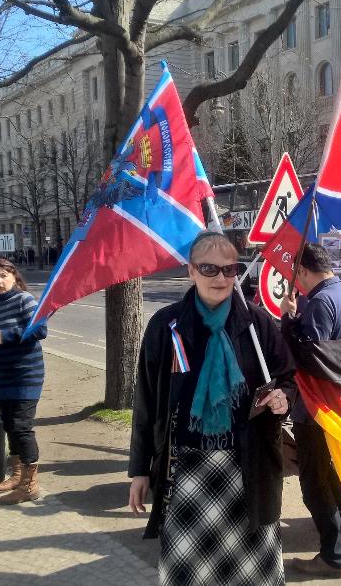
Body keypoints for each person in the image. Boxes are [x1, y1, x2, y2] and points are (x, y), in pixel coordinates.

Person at [128, 231, 296, 586]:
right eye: (209, 269)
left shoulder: (256, 323)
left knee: (253, 576)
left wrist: (284, 398)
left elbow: (286, 378)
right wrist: (140, 470)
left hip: (249, 466)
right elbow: (146, 401)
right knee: (190, 575)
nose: (221, 278)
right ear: (191, 271)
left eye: (229, 269)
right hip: (185, 470)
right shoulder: (165, 325)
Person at [280, 243, 341, 579]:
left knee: (313, 481)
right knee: (328, 469)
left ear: (303, 270)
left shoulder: (318, 302)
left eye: (296, 276)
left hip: (316, 406)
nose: (296, 284)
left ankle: (333, 557)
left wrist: (288, 321)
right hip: (339, 402)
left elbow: (309, 358)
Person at [0, 257, 48, 505]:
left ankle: (30, 485)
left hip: (26, 373)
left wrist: (4, 336)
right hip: (1, 372)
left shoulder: (24, 300)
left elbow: (40, 330)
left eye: (3, 276)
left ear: (14, 277)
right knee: (9, 424)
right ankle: (17, 475)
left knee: (21, 426)